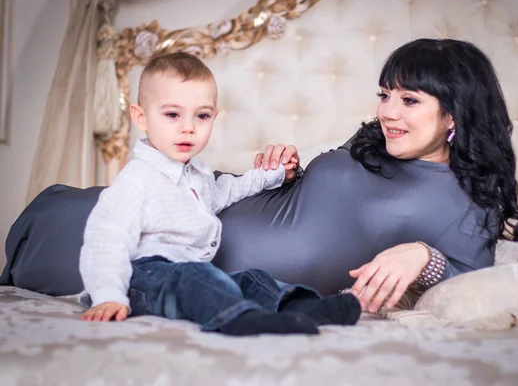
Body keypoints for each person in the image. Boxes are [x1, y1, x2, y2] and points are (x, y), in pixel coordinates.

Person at [2, 39, 518, 315]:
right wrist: (288, 171)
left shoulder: (470, 199)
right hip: (183, 216)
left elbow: (476, 280)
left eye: (409, 100)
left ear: (455, 113)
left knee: (50, 264)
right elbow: (322, 200)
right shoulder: (375, 145)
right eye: (385, 94)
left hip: (193, 272)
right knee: (73, 219)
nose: (388, 111)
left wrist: (425, 258)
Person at [78, 52, 361, 336]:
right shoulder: (137, 178)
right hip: (142, 280)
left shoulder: (197, 174)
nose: (188, 127)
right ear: (141, 117)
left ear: (214, 117)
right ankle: (239, 319)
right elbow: (106, 237)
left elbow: (227, 190)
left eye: (201, 116)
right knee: (194, 276)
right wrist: (108, 294)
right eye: (172, 114)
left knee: (250, 278)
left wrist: (272, 174)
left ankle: (300, 307)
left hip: (190, 275)